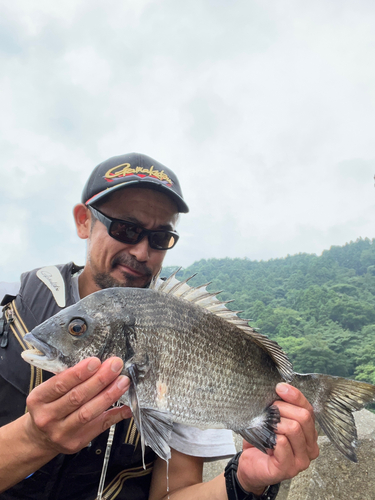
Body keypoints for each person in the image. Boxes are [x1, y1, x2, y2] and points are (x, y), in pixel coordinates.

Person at [0, 152, 319, 500]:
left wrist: (245, 482)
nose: (141, 251)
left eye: (160, 237)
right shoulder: (12, 309)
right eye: (126, 228)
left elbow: (172, 493)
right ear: (83, 221)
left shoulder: (184, 333)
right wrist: (33, 439)